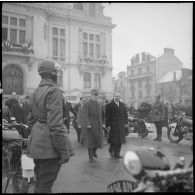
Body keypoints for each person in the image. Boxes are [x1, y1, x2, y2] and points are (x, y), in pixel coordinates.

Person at [27, 59, 73, 193]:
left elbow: (30, 120)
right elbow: (55, 124)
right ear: (52, 73)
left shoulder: (35, 92)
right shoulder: (54, 91)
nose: (58, 75)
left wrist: (37, 134)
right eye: (56, 72)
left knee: (40, 183)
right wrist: (64, 150)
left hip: (36, 143)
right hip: (49, 147)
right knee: (45, 187)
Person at [82, 88, 105, 162]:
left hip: (99, 126)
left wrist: (103, 123)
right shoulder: (87, 104)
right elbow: (85, 115)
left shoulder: (99, 104)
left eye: (97, 95)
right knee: (91, 142)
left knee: (98, 141)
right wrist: (88, 124)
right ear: (91, 95)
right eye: (95, 95)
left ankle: (95, 151)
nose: (96, 96)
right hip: (91, 126)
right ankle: (90, 157)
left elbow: (102, 115)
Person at [105, 92, 128, 159]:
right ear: (114, 97)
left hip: (121, 125)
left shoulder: (122, 105)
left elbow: (125, 115)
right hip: (113, 126)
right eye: (116, 96)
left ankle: (117, 154)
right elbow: (107, 116)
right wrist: (108, 125)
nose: (118, 98)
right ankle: (111, 150)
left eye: (119, 96)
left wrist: (126, 122)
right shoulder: (109, 105)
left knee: (120, 140)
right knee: (114, 140)